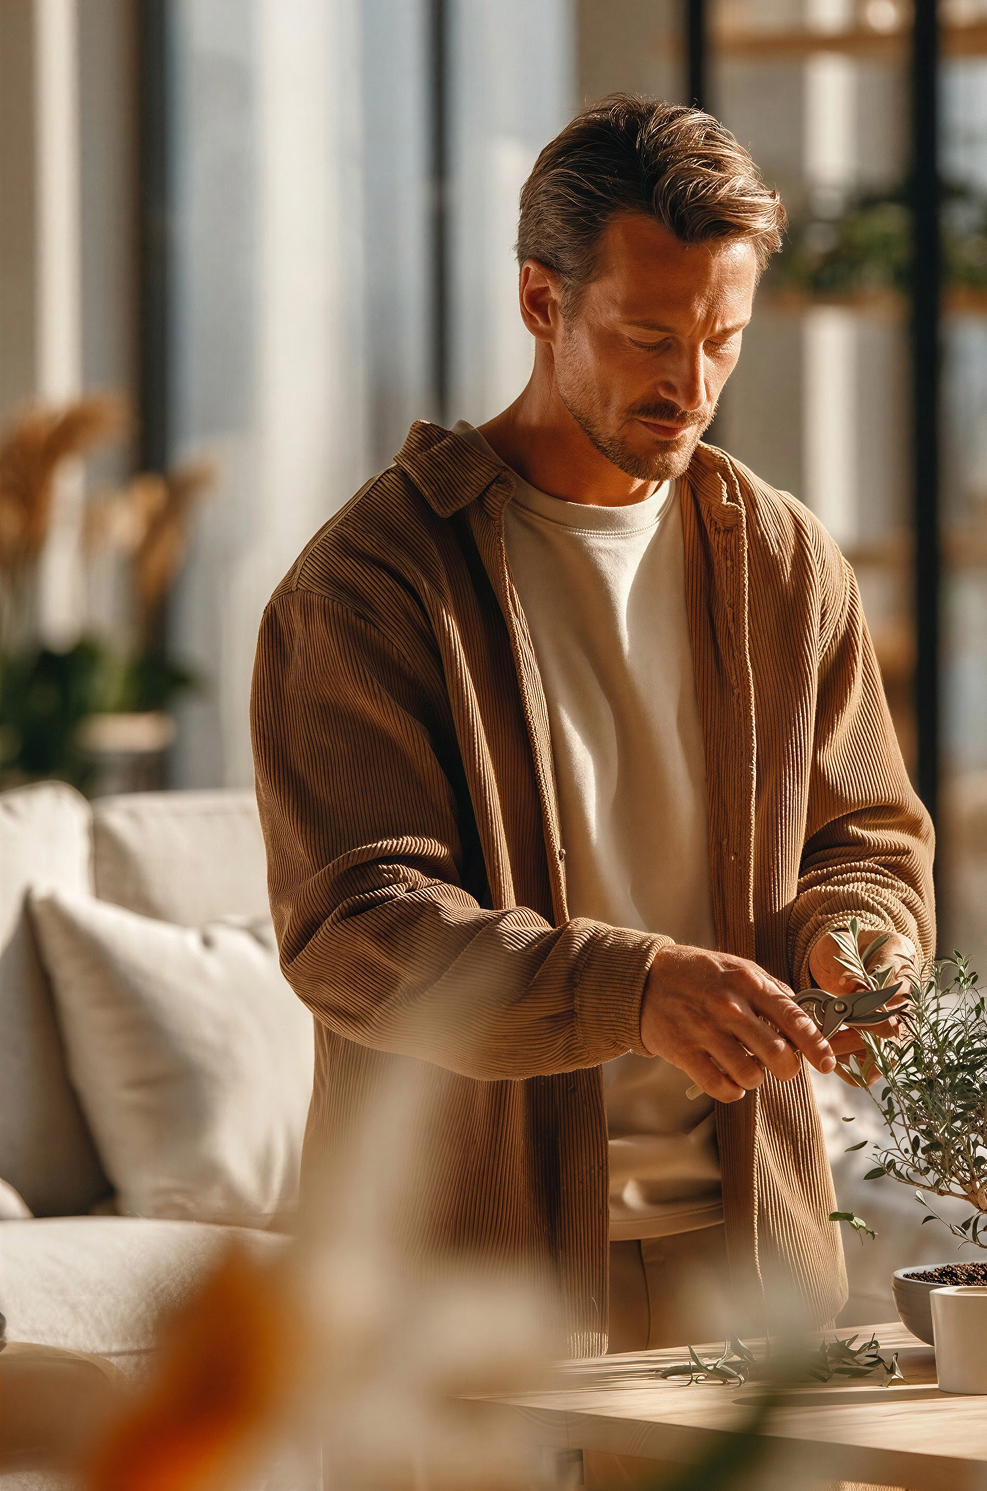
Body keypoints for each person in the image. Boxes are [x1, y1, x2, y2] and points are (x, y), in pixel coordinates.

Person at [250, 94, 934, 1359]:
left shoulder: (784, 562)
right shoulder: (369, 585)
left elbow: (868, 836)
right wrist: (633, 987)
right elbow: (358, 927)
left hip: (752, 1274)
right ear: (539, 301)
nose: (691, 384)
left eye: (724, 339)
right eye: (648, 334)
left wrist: (855, 938)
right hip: (466, 1296)